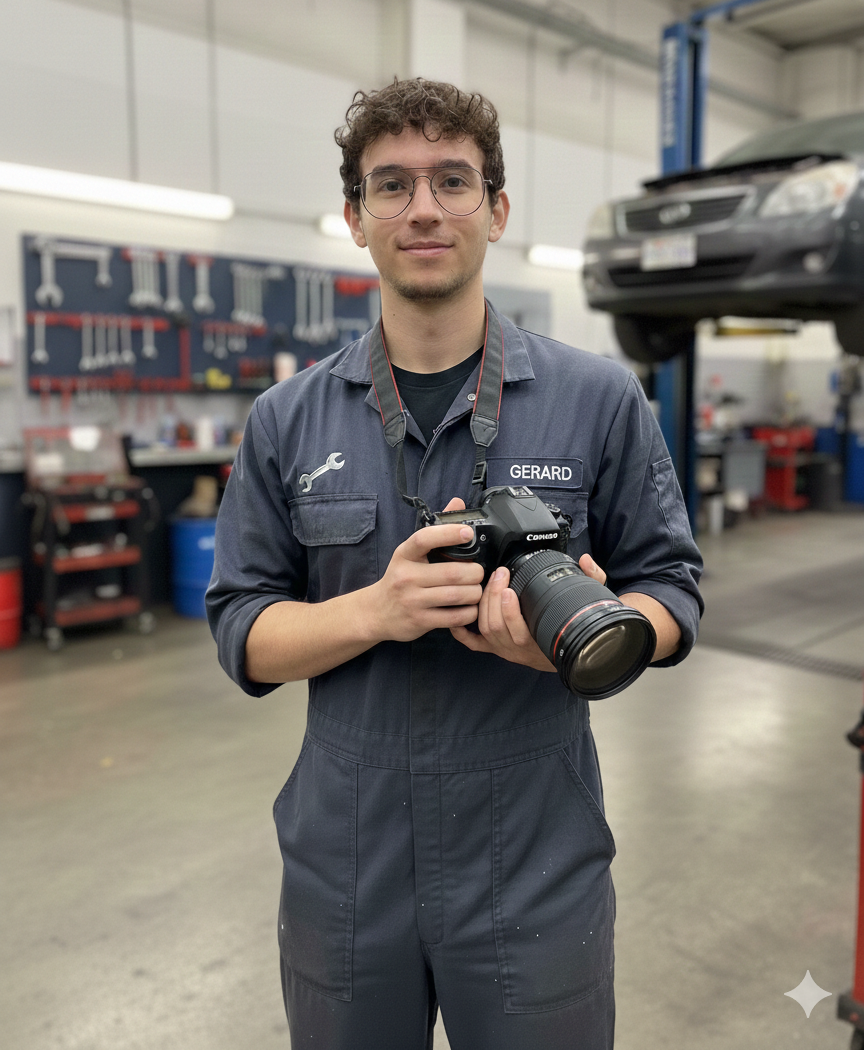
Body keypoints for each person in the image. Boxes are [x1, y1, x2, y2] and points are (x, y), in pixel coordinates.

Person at [206, 78, 703, 1050]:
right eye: (390, 185)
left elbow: (675, 588)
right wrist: (377, 610)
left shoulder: (600, 399)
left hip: (534, 851)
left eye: (452, 180)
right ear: (355, 218)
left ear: (497, 209)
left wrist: (594, 639)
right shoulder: (287, 418)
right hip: (347, 858)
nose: (423, 207)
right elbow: (241, 631)